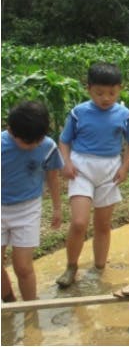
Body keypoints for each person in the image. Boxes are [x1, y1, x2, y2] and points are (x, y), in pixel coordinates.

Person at [56, 62, 129, 288]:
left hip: (110, 171)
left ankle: (100, 267)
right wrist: (66, 162)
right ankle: (71, 267)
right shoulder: (78, 113)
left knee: (103, 224)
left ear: (119, 89)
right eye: (99, 93)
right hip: (81, 169)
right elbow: (64, 141)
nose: (106, 98)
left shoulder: (125, 115)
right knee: (79, 222)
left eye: (112, 93)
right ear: (89, 89)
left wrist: (125, 167)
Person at [2, 102, 63, 301]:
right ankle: (9, 300)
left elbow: (52, 178)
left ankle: (31, 306)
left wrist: (57, 208)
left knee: (23, 266)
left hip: (27, 209)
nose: (33, 146)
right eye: (28, 142)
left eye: (38, 140)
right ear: (11, 130)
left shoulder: (47, 146)